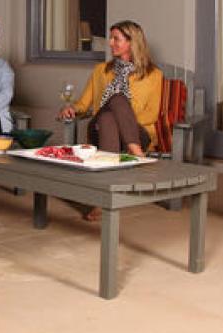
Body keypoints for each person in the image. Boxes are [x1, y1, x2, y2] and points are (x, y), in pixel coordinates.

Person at [57, 20, 164, 221]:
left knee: (111, 112)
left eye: (116, 39)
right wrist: (71, 108)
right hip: (99, 129)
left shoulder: (153, 75)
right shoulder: (101, 70)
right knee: (114, 104)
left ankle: (101, 202)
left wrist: (124, 121)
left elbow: (152, 114)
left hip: (137, 131)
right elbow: (84, 103)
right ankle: (136, 152)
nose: (110, 43)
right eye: (111, 38)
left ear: (132, 42)